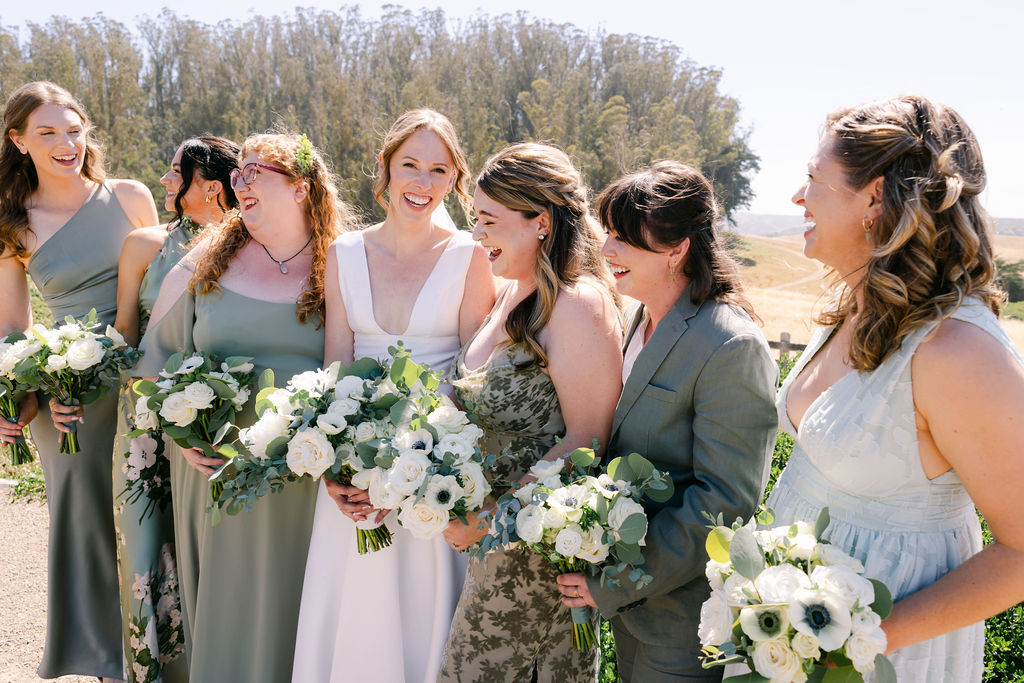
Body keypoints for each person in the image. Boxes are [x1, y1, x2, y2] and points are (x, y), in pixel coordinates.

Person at [763, 95, 1024, 681]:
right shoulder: (851, 309)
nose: (797, 197)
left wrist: (853, 641)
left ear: (875, 196)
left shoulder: (957, 352)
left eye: (812, 178)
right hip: (787, 638)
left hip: (886, 655)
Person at [136, 132, 350, 682]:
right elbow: (153, 363)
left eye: (256, 172)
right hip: (214, 469)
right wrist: (182, 436)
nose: (241, 182)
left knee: (298, 605)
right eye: (238, 174)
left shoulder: (342, 269)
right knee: (229, 608)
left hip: (304, 472)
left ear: (301, 188)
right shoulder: (205, 262)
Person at [291, 108, 495, 683]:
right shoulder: (342, 254)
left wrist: (423, 464)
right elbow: (335, 364)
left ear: (455, 180)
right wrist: (337, 466)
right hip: (354, 467)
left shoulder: (469, 256)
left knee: (420, 606)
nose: (422, 183)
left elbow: (470, 376)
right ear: (384, 167)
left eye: (438, 169)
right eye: (410, 165)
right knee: (355, 609)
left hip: (435, 470)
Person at [556, 160, 778, 682]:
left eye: (625, 239)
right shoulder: (639, 318)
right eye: (608, 234)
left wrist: (614, 582)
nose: (607, 250)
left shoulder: (729, 345)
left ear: (678, 249)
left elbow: (723, 500)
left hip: (685, 621)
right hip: (635, 613)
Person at [437, 142, 623, 682]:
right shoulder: (511, 294)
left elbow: (588, 440)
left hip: (536, 551)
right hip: (490, 548)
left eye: (490, 221)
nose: (479, 235)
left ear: (540, 222)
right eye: (476, 220)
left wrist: (486, 521)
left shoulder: (578, 303)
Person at [0, 81, 158, 682]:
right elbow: (13, 328)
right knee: (86, 516)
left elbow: (165, 286)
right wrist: (26, 395)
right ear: (19, 141)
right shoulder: (13, 222)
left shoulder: (129, 196)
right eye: (47, 133)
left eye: (74, 129)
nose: (67, 144)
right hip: (66, 399)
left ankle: (161, 647)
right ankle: (102, 659)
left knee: (149, 511)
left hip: (143, 377)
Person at [110, 135, 239, 683]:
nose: (164, 181)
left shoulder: (249, 249)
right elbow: (124, 335)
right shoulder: (144, 245)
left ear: (210, 188)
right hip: (142, 418)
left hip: (214, 416)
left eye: (174, 172)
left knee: (208, 539)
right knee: (142, 540)